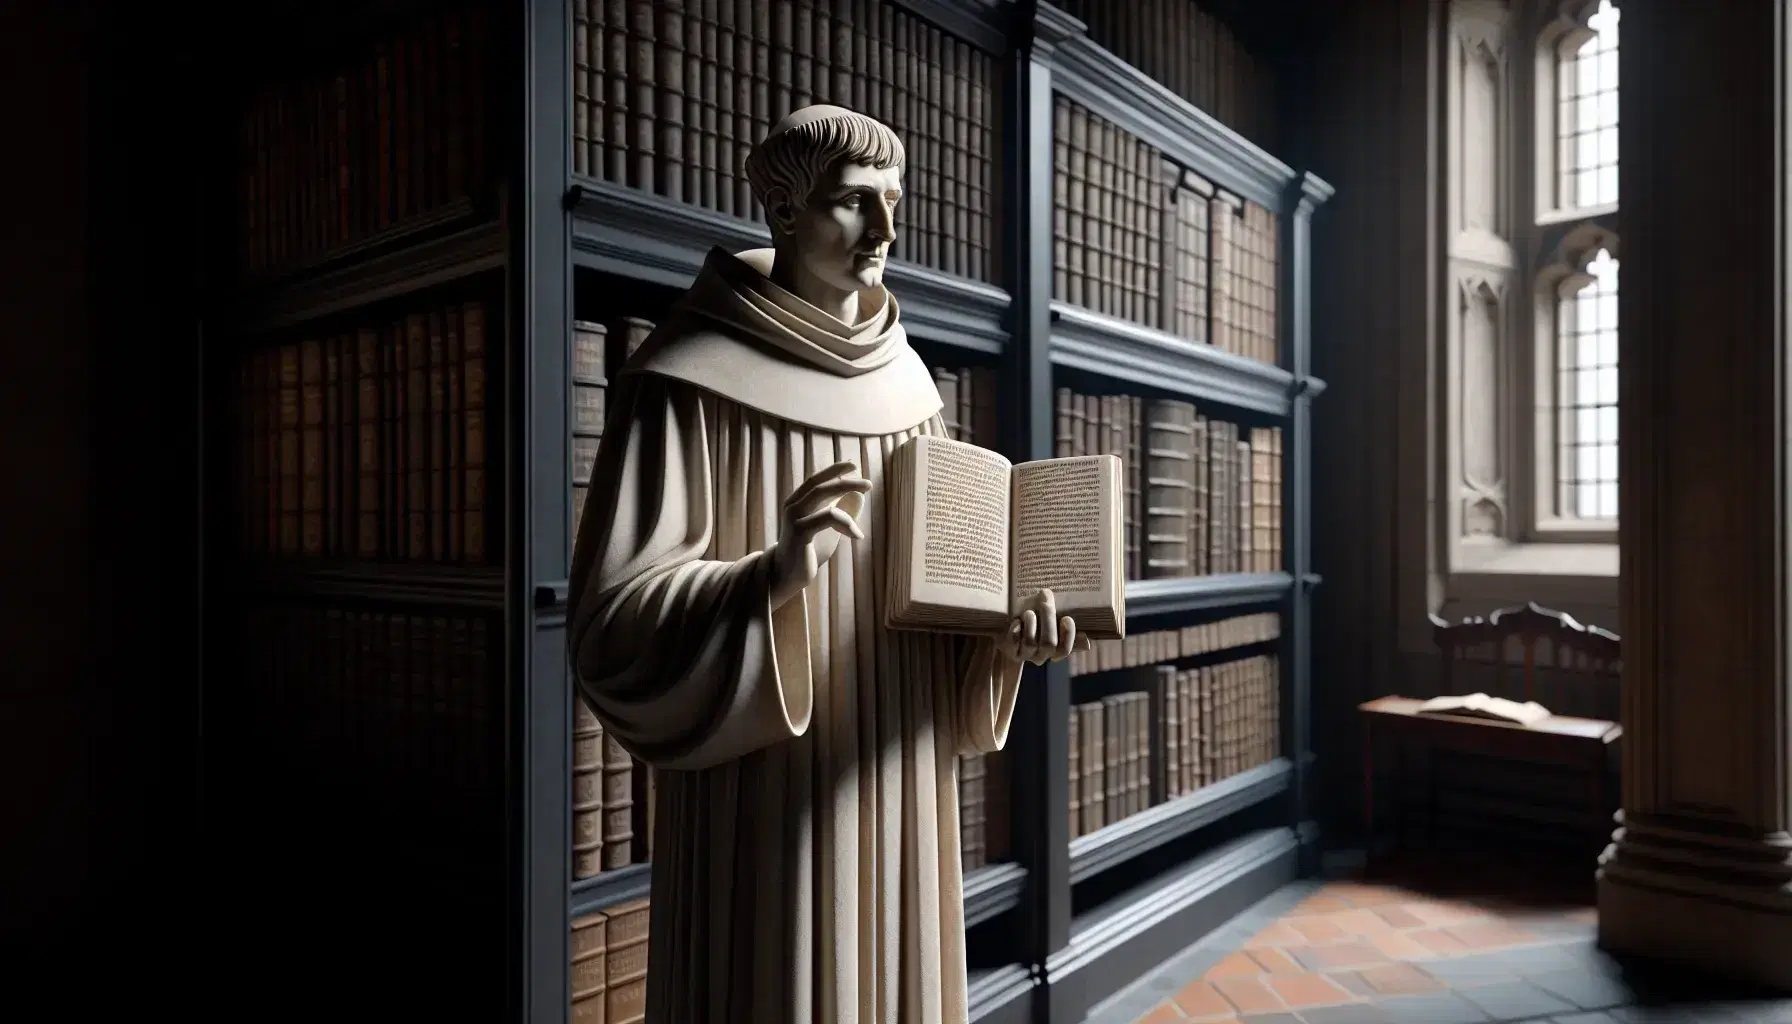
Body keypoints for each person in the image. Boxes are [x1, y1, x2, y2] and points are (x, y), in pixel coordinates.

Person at [568, 104, 1085, 1023]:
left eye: (892, 201)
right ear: (782, 212)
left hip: (900, 765)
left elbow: (938, 592)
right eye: (853, 203)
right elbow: (613, 623)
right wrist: (767, 581)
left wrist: (1003, 640)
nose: (883, 232)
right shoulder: (684, 379)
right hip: (764, 788)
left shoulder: (912, 383)